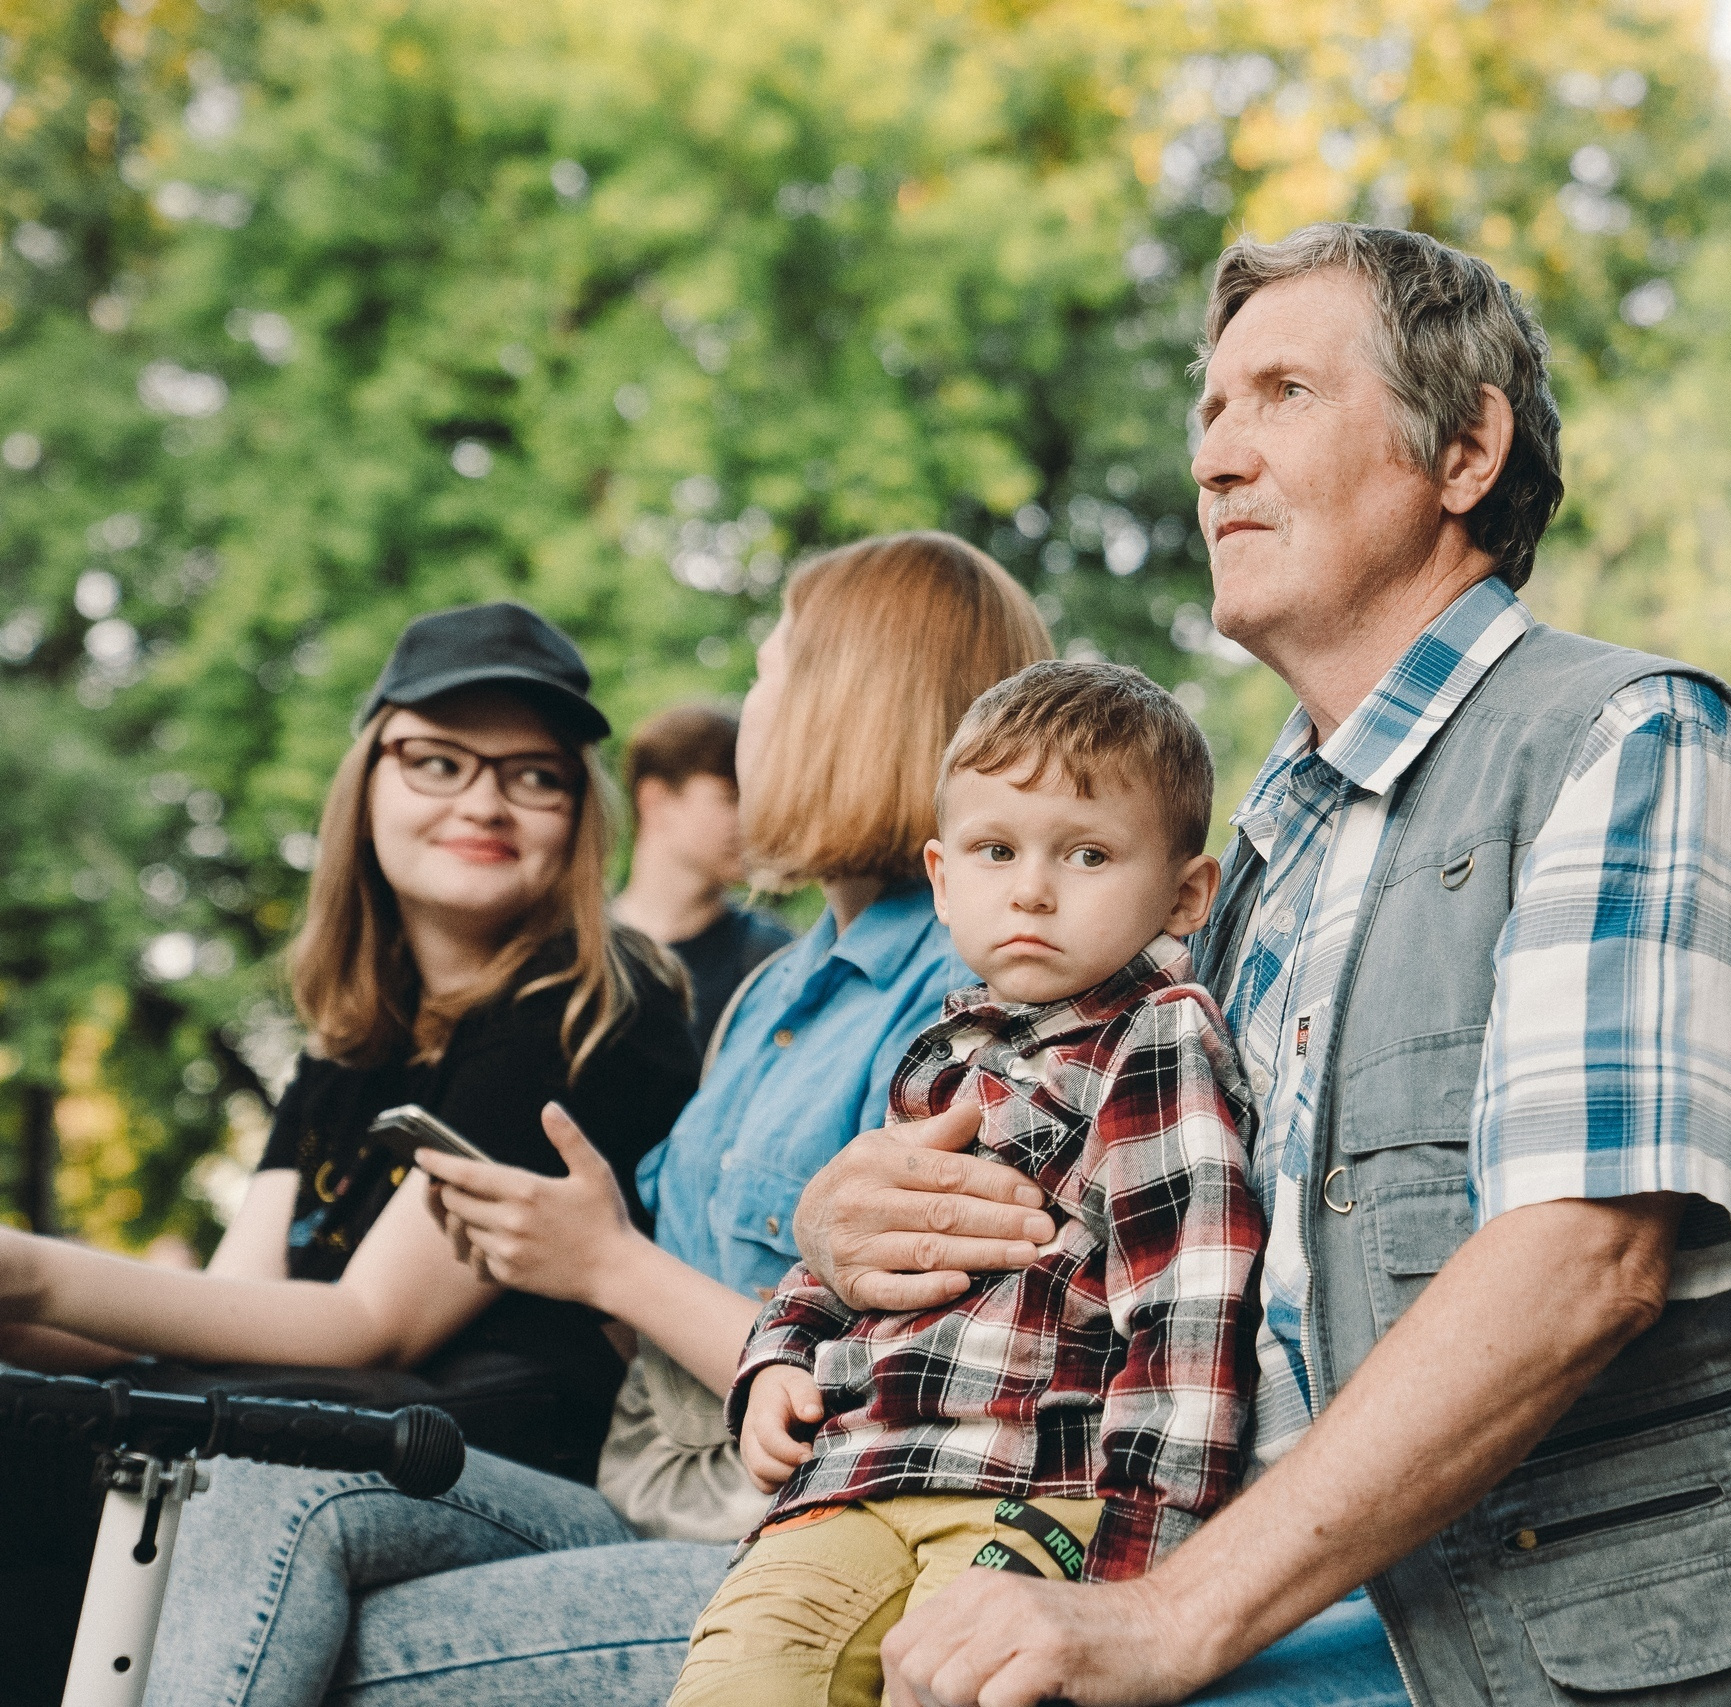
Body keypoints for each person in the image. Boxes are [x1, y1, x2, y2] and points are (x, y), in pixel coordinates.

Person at [788, 224, 1731, 1707]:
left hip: (1487, 1646)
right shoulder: (1252, 848)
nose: (1215, 458)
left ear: (1465, 449)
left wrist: (1160, 1618)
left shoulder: (1631, 736)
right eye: (1209, 412)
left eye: (1282, 393)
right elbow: (1116, 1230)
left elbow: (1584, 1263)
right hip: (1229, 1590)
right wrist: (846, 1232)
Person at [136, 533, 1053, 1707]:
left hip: (812, 1535)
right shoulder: (775, 993)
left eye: (769, 675)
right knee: (274, 1488)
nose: (743, 716)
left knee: (311, 1580)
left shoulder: (967, 997)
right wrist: (548, 1250)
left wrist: (603, 1264)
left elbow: (908, 1394)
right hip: (648, 1493)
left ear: (848, 709)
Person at [0, 601, 698, 1702]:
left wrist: (32, 1267)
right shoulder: (348, 1044)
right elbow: (235, 1308)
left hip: (505, 1469)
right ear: (366, 780)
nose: (482, 800)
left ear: (579, 815)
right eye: (437, 760)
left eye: (533, 776)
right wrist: (28, 1327)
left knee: (238, 1472)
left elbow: (366, 1328)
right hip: (335, 1433)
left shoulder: (590, 1008)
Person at [673, 659, 1260, 1707]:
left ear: (1185, 893)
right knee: (736, 1676)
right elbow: (844, 1260)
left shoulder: (1154, 1040)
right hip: (852, 1478)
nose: (1031, 888)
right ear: (945, 876)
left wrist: (1142, 1559)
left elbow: (1189, 1306)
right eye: (997, 852)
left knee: (958, 1689)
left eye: (1086, 854)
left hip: (1032, 1485)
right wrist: (773, 1362)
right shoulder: (941, 1055)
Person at [615, 703, 796, 1053]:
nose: (752, 820)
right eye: (730, 797)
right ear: (655, 801)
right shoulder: (573, 949)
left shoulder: (775, 960)